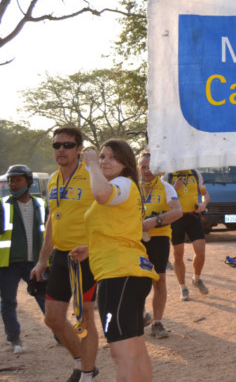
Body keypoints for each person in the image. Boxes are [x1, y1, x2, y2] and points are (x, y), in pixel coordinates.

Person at [70, 140, 158, 382]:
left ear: (126, 164)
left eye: (112, 157)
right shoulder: (124, 187)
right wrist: (92, 247)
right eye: (102, 156)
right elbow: (121, 230)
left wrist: (90, 164)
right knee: (135, 349)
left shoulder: (122, 183)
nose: (104, 161)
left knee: (122, 354)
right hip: (127, 272)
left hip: (119, 274)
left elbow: (100, 195)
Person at [30, 126, 100, 382]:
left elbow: (108, 215)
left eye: (68, 145)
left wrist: (94, 248)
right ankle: (84, 362)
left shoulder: (93, 175)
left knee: (85, 319)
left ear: (79, 149)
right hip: (60, 256)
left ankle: (86, 375)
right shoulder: (52, 179)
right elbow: (52, 220)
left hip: (85, 257)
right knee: (53, 319)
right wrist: (42, 259)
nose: (61, 150)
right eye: (57, 145)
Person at [0, 165, 47, 354]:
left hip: (35, 262)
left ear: (28, 182)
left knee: (45, 299)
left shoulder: (41, 205)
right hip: (8, 264)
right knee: (8, 302)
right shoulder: (3, 205)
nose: (13, 184)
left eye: (17, 180)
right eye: (11, 180)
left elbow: (49, 233)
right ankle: (14, 339)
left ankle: (60, 334)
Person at [138, 151, 183, 338]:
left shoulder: (166, 188)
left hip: (159, 238)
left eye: (151, 167)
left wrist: (156, 220)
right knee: (137, 280)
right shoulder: (132, 188)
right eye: (143, 167)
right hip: (135, 239)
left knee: (159, 280)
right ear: (138, 168)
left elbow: (177, 211)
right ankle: (140, 316)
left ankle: (157, 322)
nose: (147, 171)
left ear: (158, 170)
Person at [164, 169, 210, 300]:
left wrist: (203, 203)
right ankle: (183, 287)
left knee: (200, 251)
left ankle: (196, 279)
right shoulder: (168, 176)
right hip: (176, 219)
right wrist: (174, 188)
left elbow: (205, 194)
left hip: (193, 217)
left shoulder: (195, 173)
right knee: (178, 255)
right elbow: (162, 199)